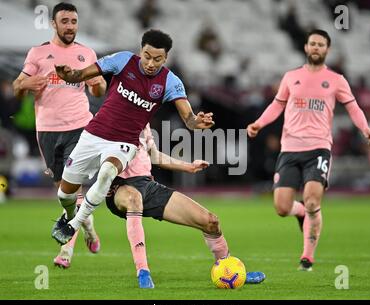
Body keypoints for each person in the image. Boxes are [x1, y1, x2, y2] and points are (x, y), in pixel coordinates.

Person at [51, 29, 215, 246]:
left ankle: (74, 224)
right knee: (65, 194)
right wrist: (67, 74)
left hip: (124, 143)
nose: (150, 63)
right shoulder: (122, 61)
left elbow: (189, 119)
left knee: (108, 172)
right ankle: (69, 215)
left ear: (166, 58)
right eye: (147, 56)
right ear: (141, 51)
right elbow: (79, 75)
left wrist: (197, 122)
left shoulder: (170, 82)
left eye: (157, 59)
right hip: (94, 135)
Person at [247, 29, 370, 271]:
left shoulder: (337, 80)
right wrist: (259, 123)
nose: (316, 48)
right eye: (312, 44)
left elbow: (354, 108)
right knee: (282, 207)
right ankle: (300, 214)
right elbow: (277, 105)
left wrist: (365, 129)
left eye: (321, 44)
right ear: (306, 48)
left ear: (327, 50)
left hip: (318, 148)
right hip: (289, 149)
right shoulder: (291, 77)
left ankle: (307, 257)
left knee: (311, 200)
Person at [105, 124, 265, 288]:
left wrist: (189, 166)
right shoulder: (111, 116)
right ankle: (143, 272)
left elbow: (154, 156)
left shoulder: (144, 118)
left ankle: (228, 271)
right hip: (120, 187)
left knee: (211, 221)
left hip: (147, 185)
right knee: (133, 199)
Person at [12, 2, 107, 267]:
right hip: (48, 132)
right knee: (65, 196)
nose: (70, 26)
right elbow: (17, 86)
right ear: (54, 23)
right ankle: (87, 225)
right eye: (64, 21)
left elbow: (98, 91)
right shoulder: (39, 53)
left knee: (72, 188)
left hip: (80, 128)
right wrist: (25, 85)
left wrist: (98, 84)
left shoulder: (86, 54)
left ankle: (66, 251)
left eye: (73, 21)